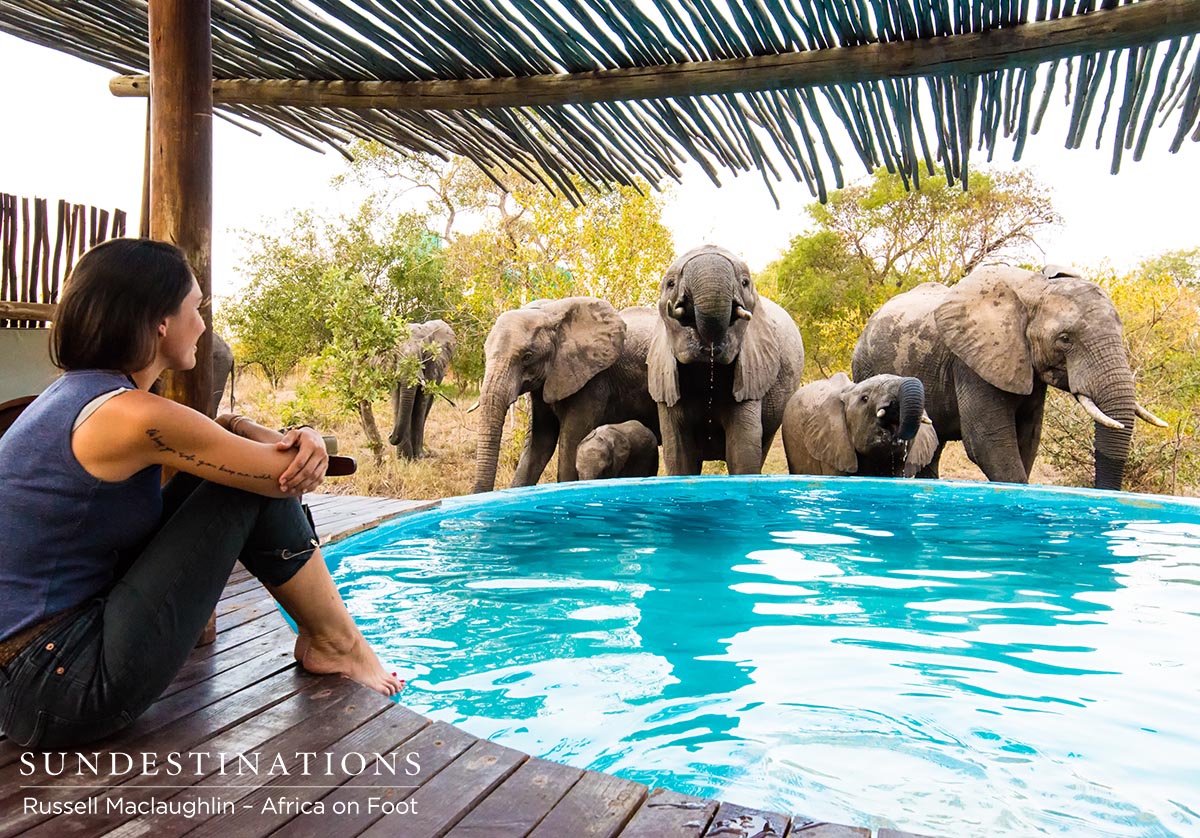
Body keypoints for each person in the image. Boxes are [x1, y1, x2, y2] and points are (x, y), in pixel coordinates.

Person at [0, 238, 404, 749]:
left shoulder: (80, 395)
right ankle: (338, 643)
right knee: (245, 488)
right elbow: (279, 474)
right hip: (57, 685)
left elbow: (220, 442)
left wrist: (242, 422)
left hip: (31, 671)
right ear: (159, 321)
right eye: (196, 308)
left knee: (233, 478)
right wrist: (304, 438)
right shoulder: (131, 415)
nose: (203, 324)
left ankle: (332, 640)